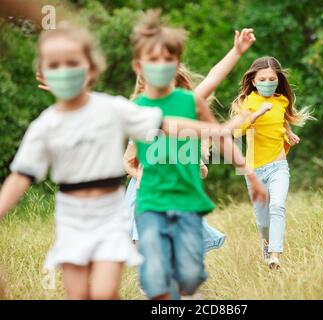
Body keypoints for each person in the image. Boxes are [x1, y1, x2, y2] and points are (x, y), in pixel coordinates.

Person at [0, 22, 248, 300]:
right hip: (117, 201)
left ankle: (174, 287)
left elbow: (195, 94)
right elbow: (24, 173)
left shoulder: (179, 103)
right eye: (55, 66)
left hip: (153, 202)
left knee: (116, 287)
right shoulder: (127, 112)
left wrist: (235, 57)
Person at [130, 9, 267, 300]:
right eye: (153, 60)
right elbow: (90, 105)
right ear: (138, 66)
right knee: (155, 277)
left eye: (168, 59)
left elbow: (220, 135)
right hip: (151, 200)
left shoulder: (191, 101)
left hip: (188, 201)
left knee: (190, 276)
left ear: (177, 63)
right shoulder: (134, 110)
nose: (161, 65)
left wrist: (250, 174)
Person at [124, 27, 257, 253]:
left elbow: (213, 78)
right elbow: (128, 161)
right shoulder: (138, 114)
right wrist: (139, 175)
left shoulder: (188, 103)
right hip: (147, 190)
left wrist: (236, 51)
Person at [232, 56, 313, 270]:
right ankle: (267, 245)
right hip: (253, 171)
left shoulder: (282, 101)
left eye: (272, 78)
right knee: (262, 222)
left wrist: (288, 132)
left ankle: (276, 255)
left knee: (278, 205)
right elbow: (236, 131)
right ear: (253, 81)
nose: (268, 82)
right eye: (263, 79)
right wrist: (257, 114)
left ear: (278, 80)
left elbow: (281, 118)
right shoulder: (247, 103)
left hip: (278, 165)